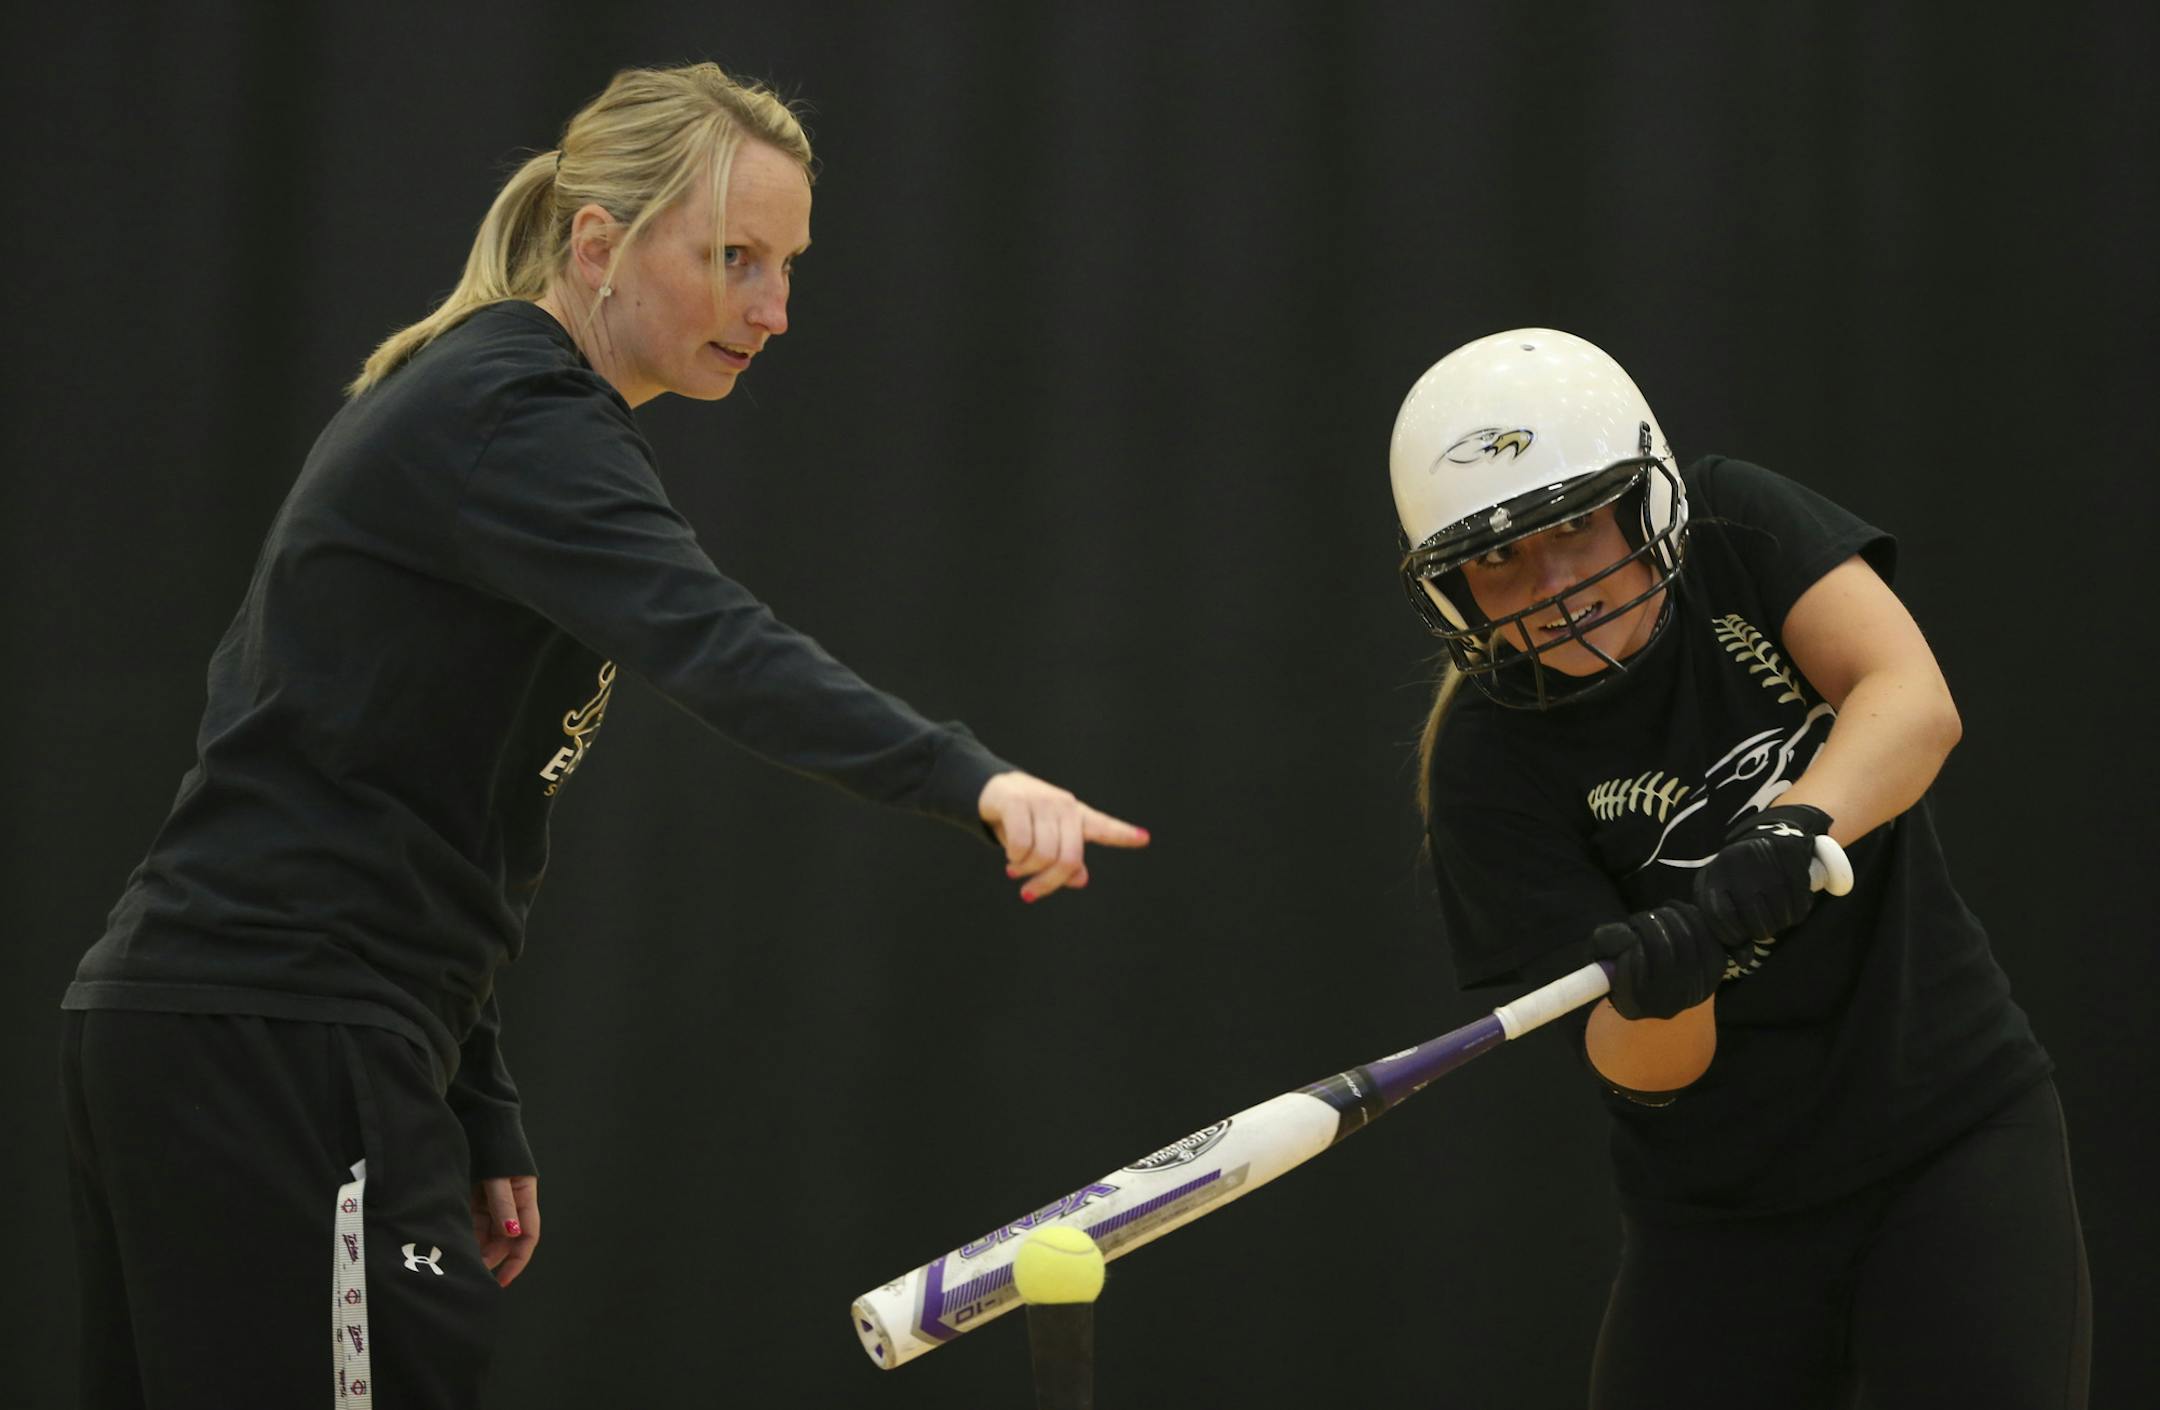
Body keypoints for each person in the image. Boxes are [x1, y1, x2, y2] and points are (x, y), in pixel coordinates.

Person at [60, 62, 1147, 1408]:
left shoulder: (496, 413)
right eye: (734, 257)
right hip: (277, 1035)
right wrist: (970, 775)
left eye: (790, 265)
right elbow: (716, 640)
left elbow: (423, 804)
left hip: (256, 1027)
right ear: (597, 244)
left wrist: (474, 1093)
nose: (774, 308)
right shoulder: (509, 414)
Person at [1390, 328, 2090, 1408]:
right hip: (1719, 1217)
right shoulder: (1484, 762)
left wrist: (1793, 830)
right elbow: (1643, 1065)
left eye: (1577, 524)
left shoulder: (1736, 524)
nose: (1558, 586)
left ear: (1646, 497)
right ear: (1452, 588)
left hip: (1952, 1131)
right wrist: (1673, 986)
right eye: (1499, 558)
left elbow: (1912, 702)